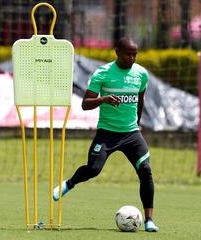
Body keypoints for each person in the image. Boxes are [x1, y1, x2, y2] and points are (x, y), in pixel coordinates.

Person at [53, 37, 159, 232]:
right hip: (107, 133)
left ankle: (149, 220)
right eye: (128, 54)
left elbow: (140, 99)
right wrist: (104, 99)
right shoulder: (102, 73)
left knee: (145, 170)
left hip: (131, 133)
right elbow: (85, 104)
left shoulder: (141, 74)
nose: (132, 58)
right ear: (117, 52)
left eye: (135, 54)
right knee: (94, 169)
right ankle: (69, 183)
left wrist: (138, 122)